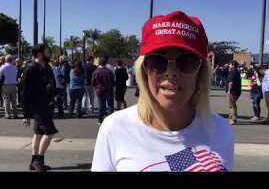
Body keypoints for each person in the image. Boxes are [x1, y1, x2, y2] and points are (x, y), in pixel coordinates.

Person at [92, 10, 234, 172]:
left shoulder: (220, 130)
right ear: (144, 69)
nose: (171, 72)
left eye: (186, 61)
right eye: (157, 61)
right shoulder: (114, 128)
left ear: (201, 71)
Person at [22, 44, 58, 172]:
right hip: (37, 107)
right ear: (39, 54)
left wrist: (55, 91)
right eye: (47, 52)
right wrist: (26, 114)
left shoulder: (47, 67)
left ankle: (33, 161)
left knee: (38, 134)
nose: (49, 53)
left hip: (47, 105)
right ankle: (39, 161)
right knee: (49, 132)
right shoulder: (31, 68)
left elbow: (49, 85)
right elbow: (25, 92)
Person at [91, 56, 115, 125]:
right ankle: (110, 120)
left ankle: (100, 120)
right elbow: (113, 82)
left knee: (101, 106)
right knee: (110, 106)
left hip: (99, 90)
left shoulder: (96, 72)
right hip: (109, 90)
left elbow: (93, 82)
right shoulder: (109, 72)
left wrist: (96, 87)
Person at [0, 55, 18, 119]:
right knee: (14, 100)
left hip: (6, 85)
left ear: (6, 60)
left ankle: (8, 114)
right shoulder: (15, 67)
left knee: (6, 100)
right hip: (14, 85)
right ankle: (15, 114)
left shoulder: (3, 67)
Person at [225, 60, 241, 125]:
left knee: (232, 105)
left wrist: (229, 90)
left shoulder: (233, 72)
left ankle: (233, 119)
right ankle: (231, 116)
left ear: (233, 65)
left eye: (230, 64)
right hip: (236, 91)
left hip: (233, 91)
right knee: (231, 105)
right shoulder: (234, 72)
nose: (229, 65)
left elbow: (231, 83)